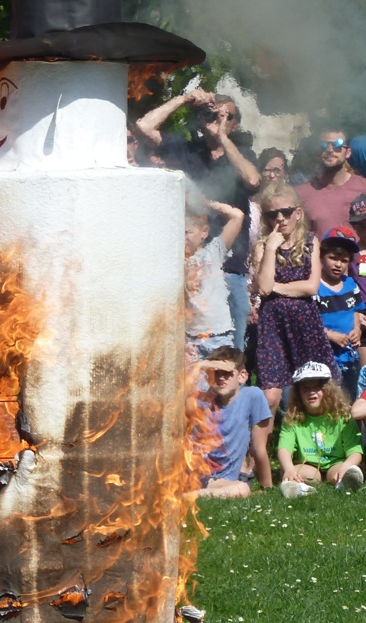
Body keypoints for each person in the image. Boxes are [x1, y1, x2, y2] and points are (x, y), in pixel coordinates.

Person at [137, 90, 260, 350]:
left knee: (231, 351)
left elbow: (252, 180)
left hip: (229, 269)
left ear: (235, 123)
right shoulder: (187, 150)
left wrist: (223, 137)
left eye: (227, 117)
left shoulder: (242, 154)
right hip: (189, 267)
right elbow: (143, 127)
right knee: (189, 350)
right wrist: (183, 99)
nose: (218, 120)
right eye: (212, 115)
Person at [251, 183, 337, 410]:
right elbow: (262, 288)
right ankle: (260, 447)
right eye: (272, 214)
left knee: (315, 389)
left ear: (297, 213)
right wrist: (271, 249)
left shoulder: (310, 242)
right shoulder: (262, 246)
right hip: (273, 325)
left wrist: (275, 287)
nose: (280, 218)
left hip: (304, 323)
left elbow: (311, 287)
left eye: (286, 212)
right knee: (270, 395)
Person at [196, 347, 273, 498]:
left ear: (242, 376)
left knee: (241, 488)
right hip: (198, 476)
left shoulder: (252, 396)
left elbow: (258, 448)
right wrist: (199, 367)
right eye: (215, 373)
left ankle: (192, 495)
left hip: (227, 480)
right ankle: (194, 494)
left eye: (227, 373)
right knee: (242, 489)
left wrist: (267, 487)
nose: (221, 378)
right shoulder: (200, 401)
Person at [279, 361, 363, 498]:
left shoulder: (342, 416)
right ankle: (299, 488)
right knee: (302, 473)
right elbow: (284, 448)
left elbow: (355, 450)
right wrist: (288, 469)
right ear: (298, 393)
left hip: (336, 463)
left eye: (317, 387)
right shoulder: (292, 418)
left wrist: (346, 465)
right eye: (305, 388)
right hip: (308, 465)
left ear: (328, 389)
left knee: (347, 470)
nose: (311, 392)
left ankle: (344, 482)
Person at [184, 196, 244, 361]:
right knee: (195, 386)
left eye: (187, 232)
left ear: (204, 232)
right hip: (190, 340)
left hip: (218, 335)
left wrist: (208, 204)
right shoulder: (175, 262)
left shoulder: (214, 251)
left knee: (220, 382)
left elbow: (237, 216)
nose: (183, 237)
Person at [316, 227, 366, 400]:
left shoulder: (351, 284)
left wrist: (357, 330)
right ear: (321, 257)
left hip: (349, 356)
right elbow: (309, 322)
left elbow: (356, 310)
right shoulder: (315, 287)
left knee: (352, 397)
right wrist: (330, 335)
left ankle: (351, 427)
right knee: (332, 400)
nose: (338, 264)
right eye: (333, 258)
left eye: (344, 260)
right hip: (326, 356)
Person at [296, 128, 366, 240]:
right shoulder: (301, 194)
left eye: (337, 145)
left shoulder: (363, 187)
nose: (329, 149)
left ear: (348, 153)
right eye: (324, 145)